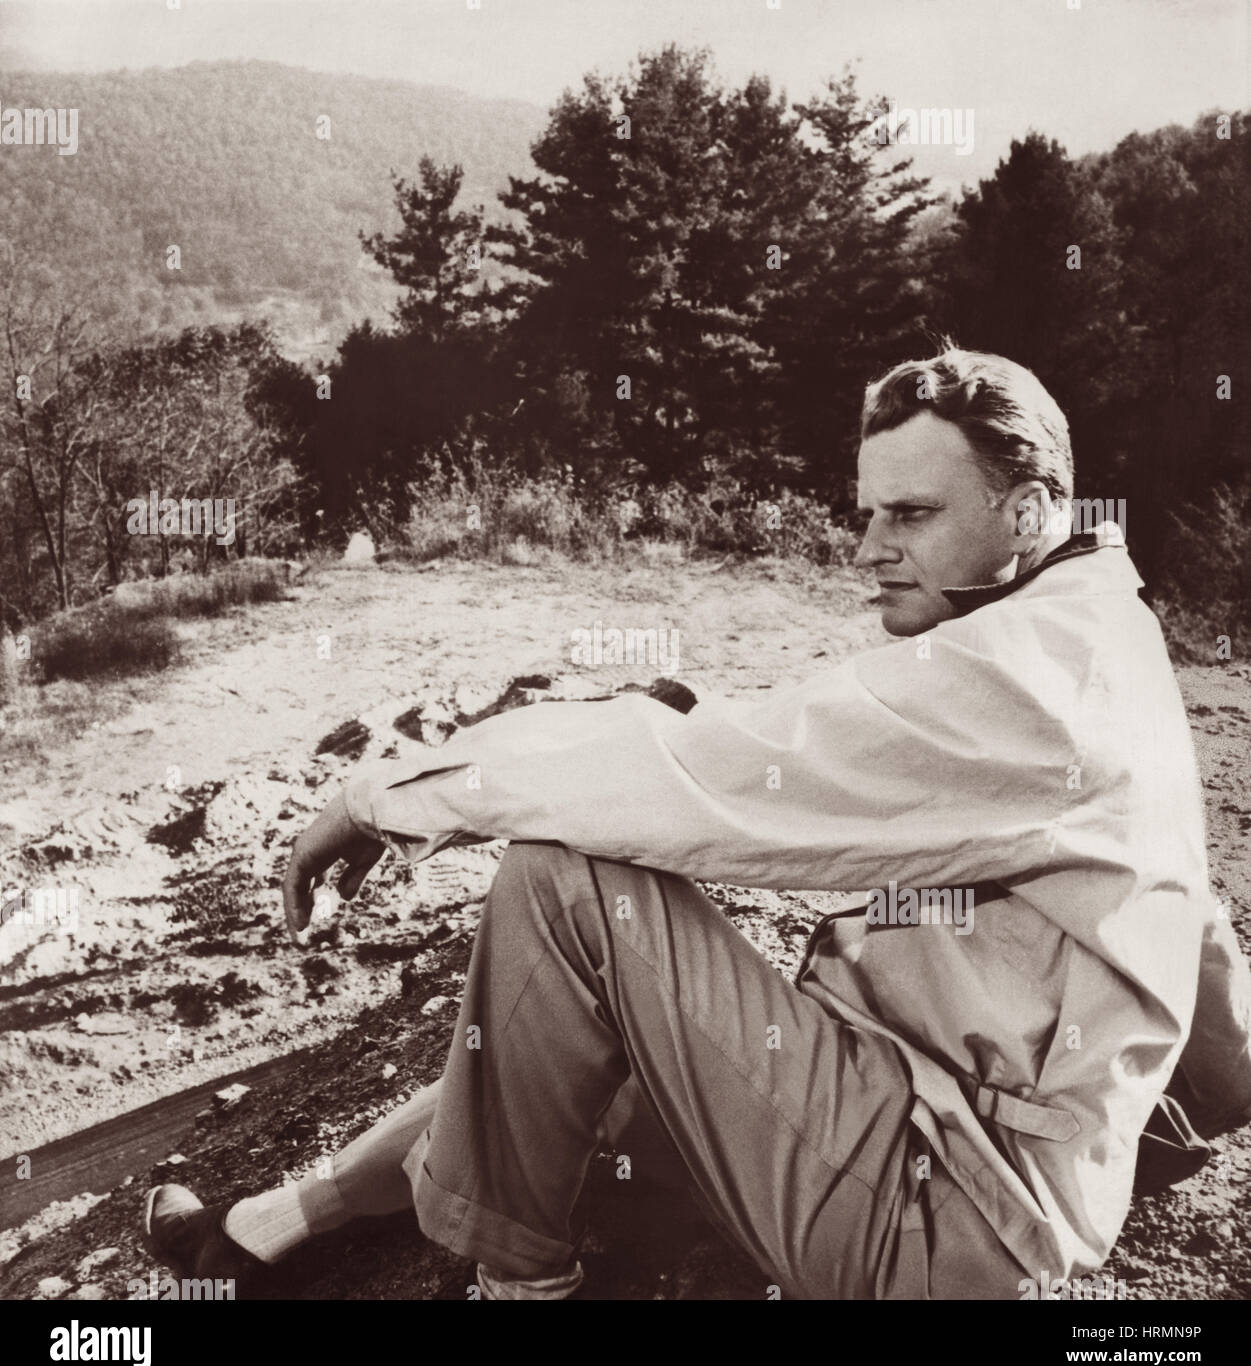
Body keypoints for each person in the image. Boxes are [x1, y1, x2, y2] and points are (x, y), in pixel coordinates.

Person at [145, 345, 1251, 1300]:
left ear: (1029, 511)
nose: (868, 547)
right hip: (899, 1114)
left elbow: (700, 777)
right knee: (566, 1028)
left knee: (560, 890)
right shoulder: (1104, 631)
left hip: (939, 1211)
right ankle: (273, 1224)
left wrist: (377, 797)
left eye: (912, 514)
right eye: (867, 509)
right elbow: (1184, 921)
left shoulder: (1035, 683)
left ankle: (518, 1288)